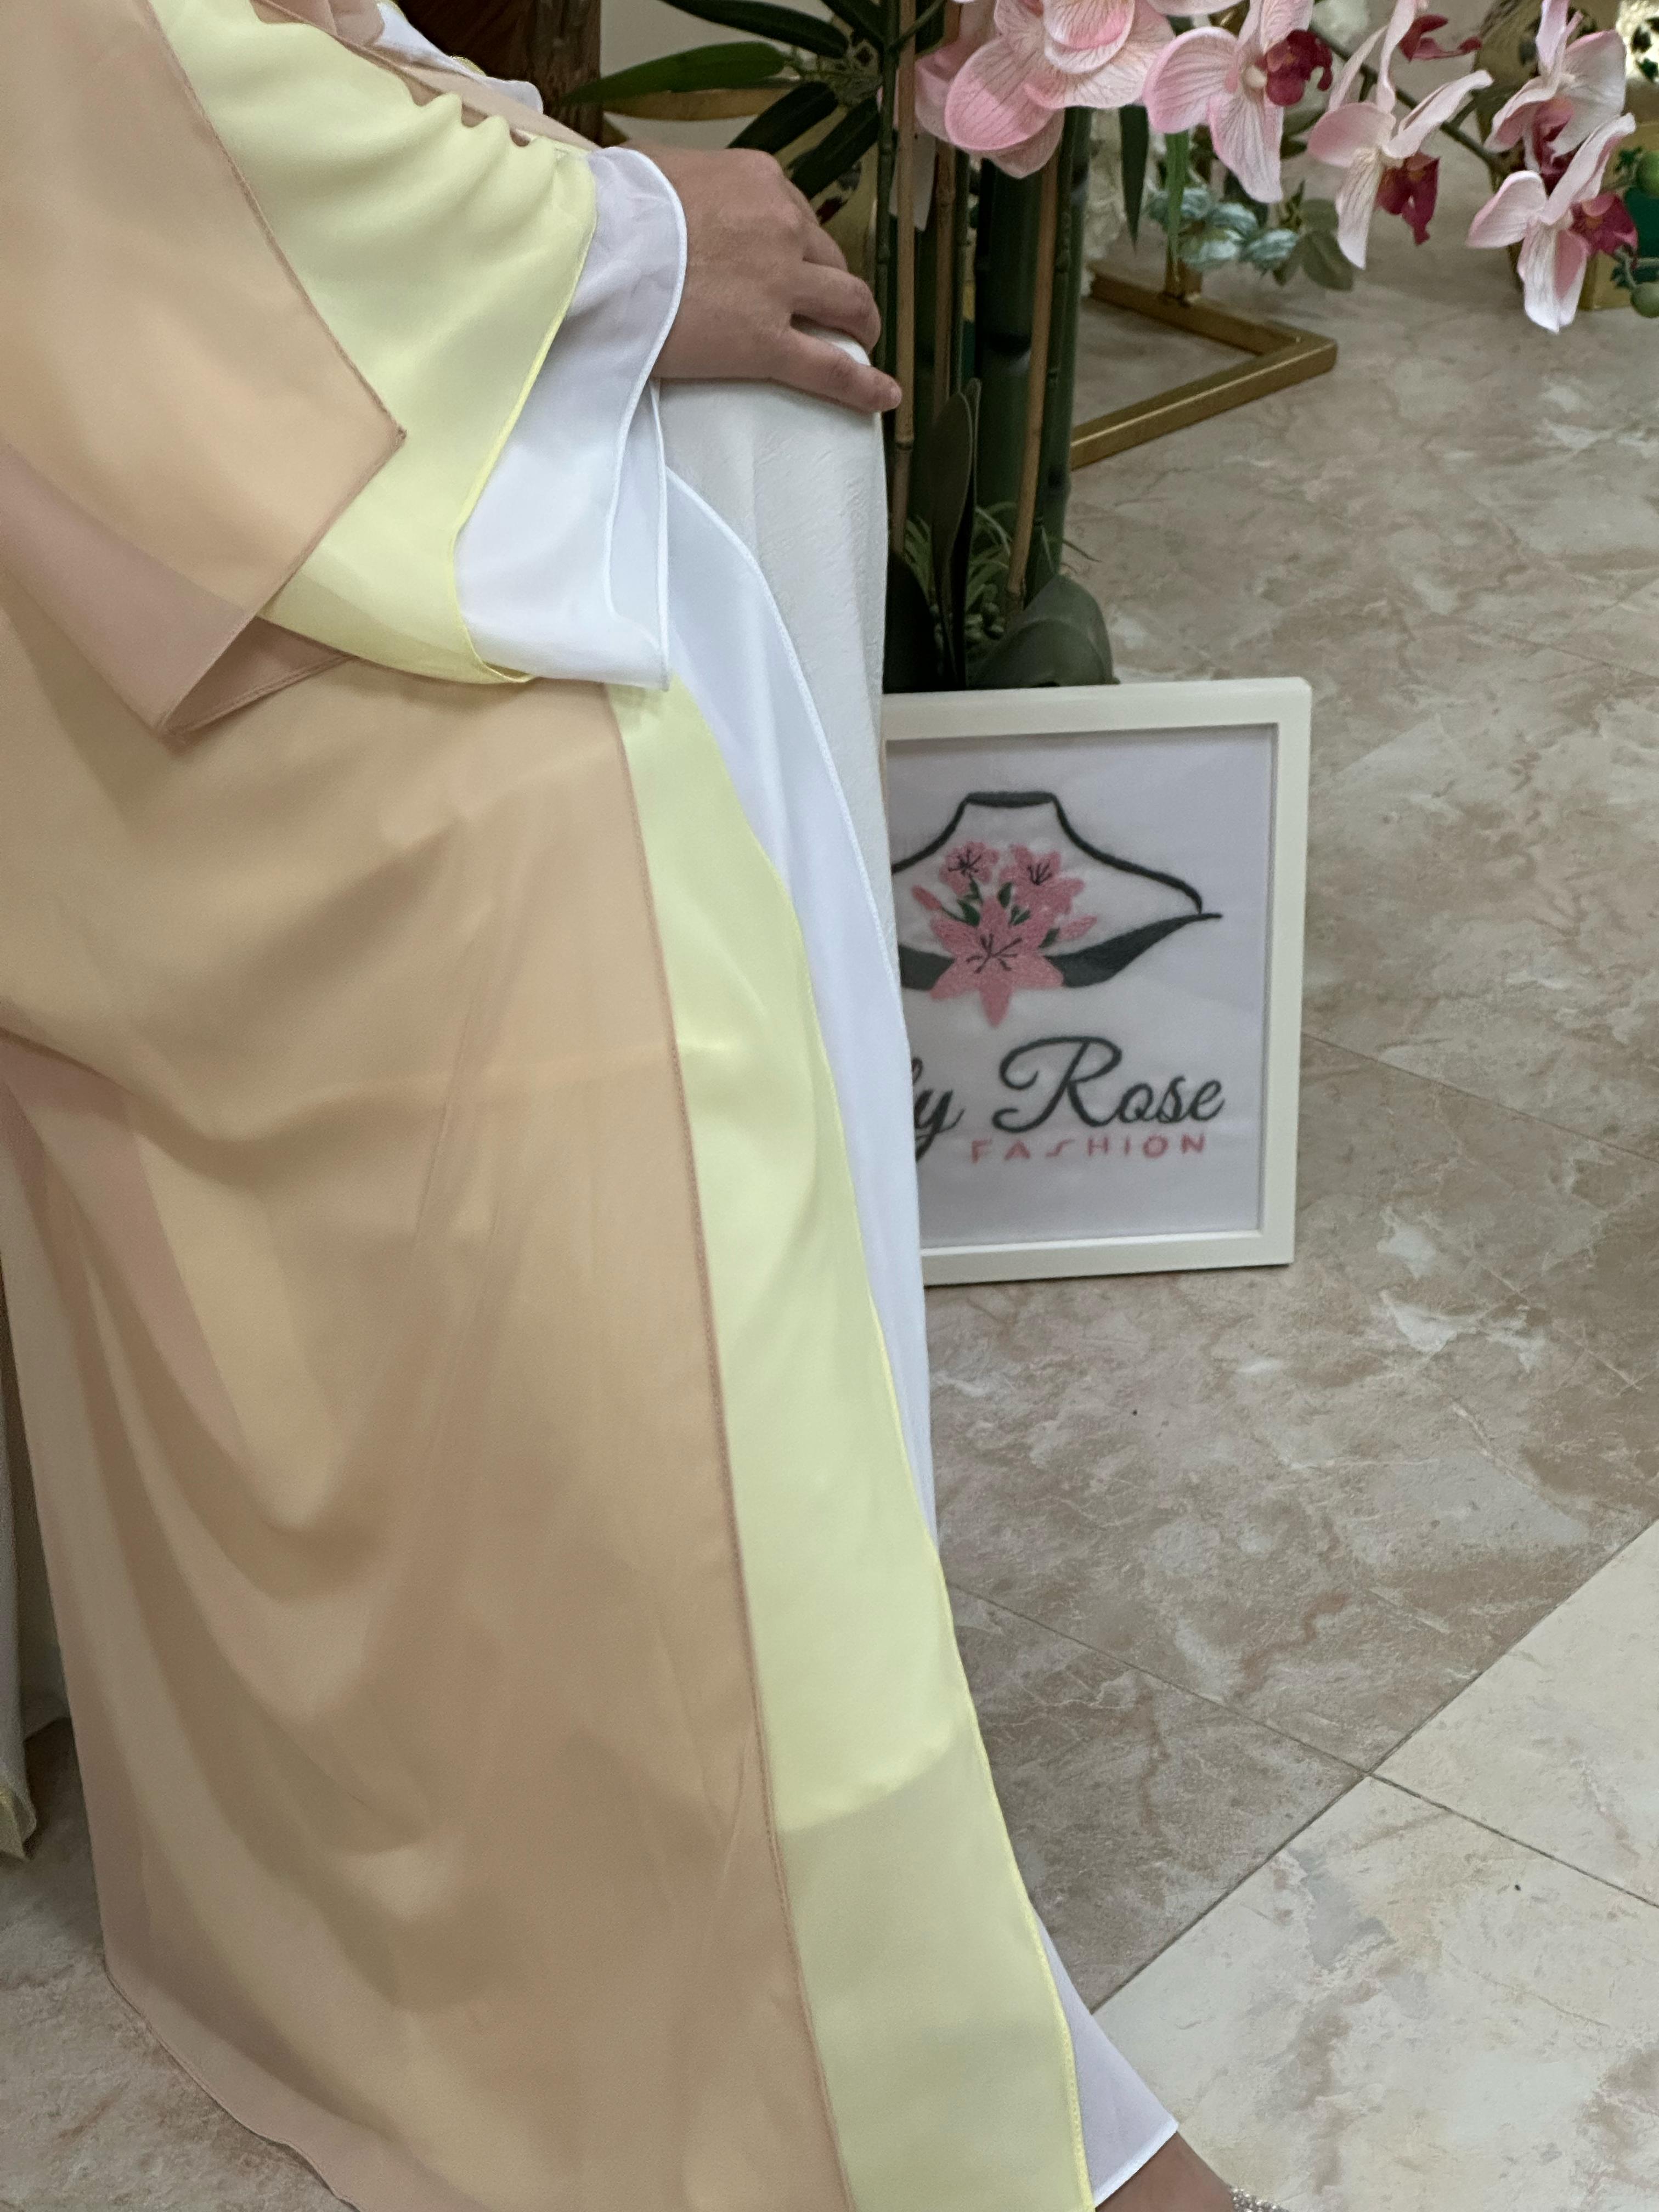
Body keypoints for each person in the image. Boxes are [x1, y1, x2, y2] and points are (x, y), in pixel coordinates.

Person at [0, 2, 1282, 2207]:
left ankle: (829, 1896)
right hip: (124, 460)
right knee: (575, 905)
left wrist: (495, 171)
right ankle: (864, 2055)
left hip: (214, 308)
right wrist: (595, 246)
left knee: (719, 525)